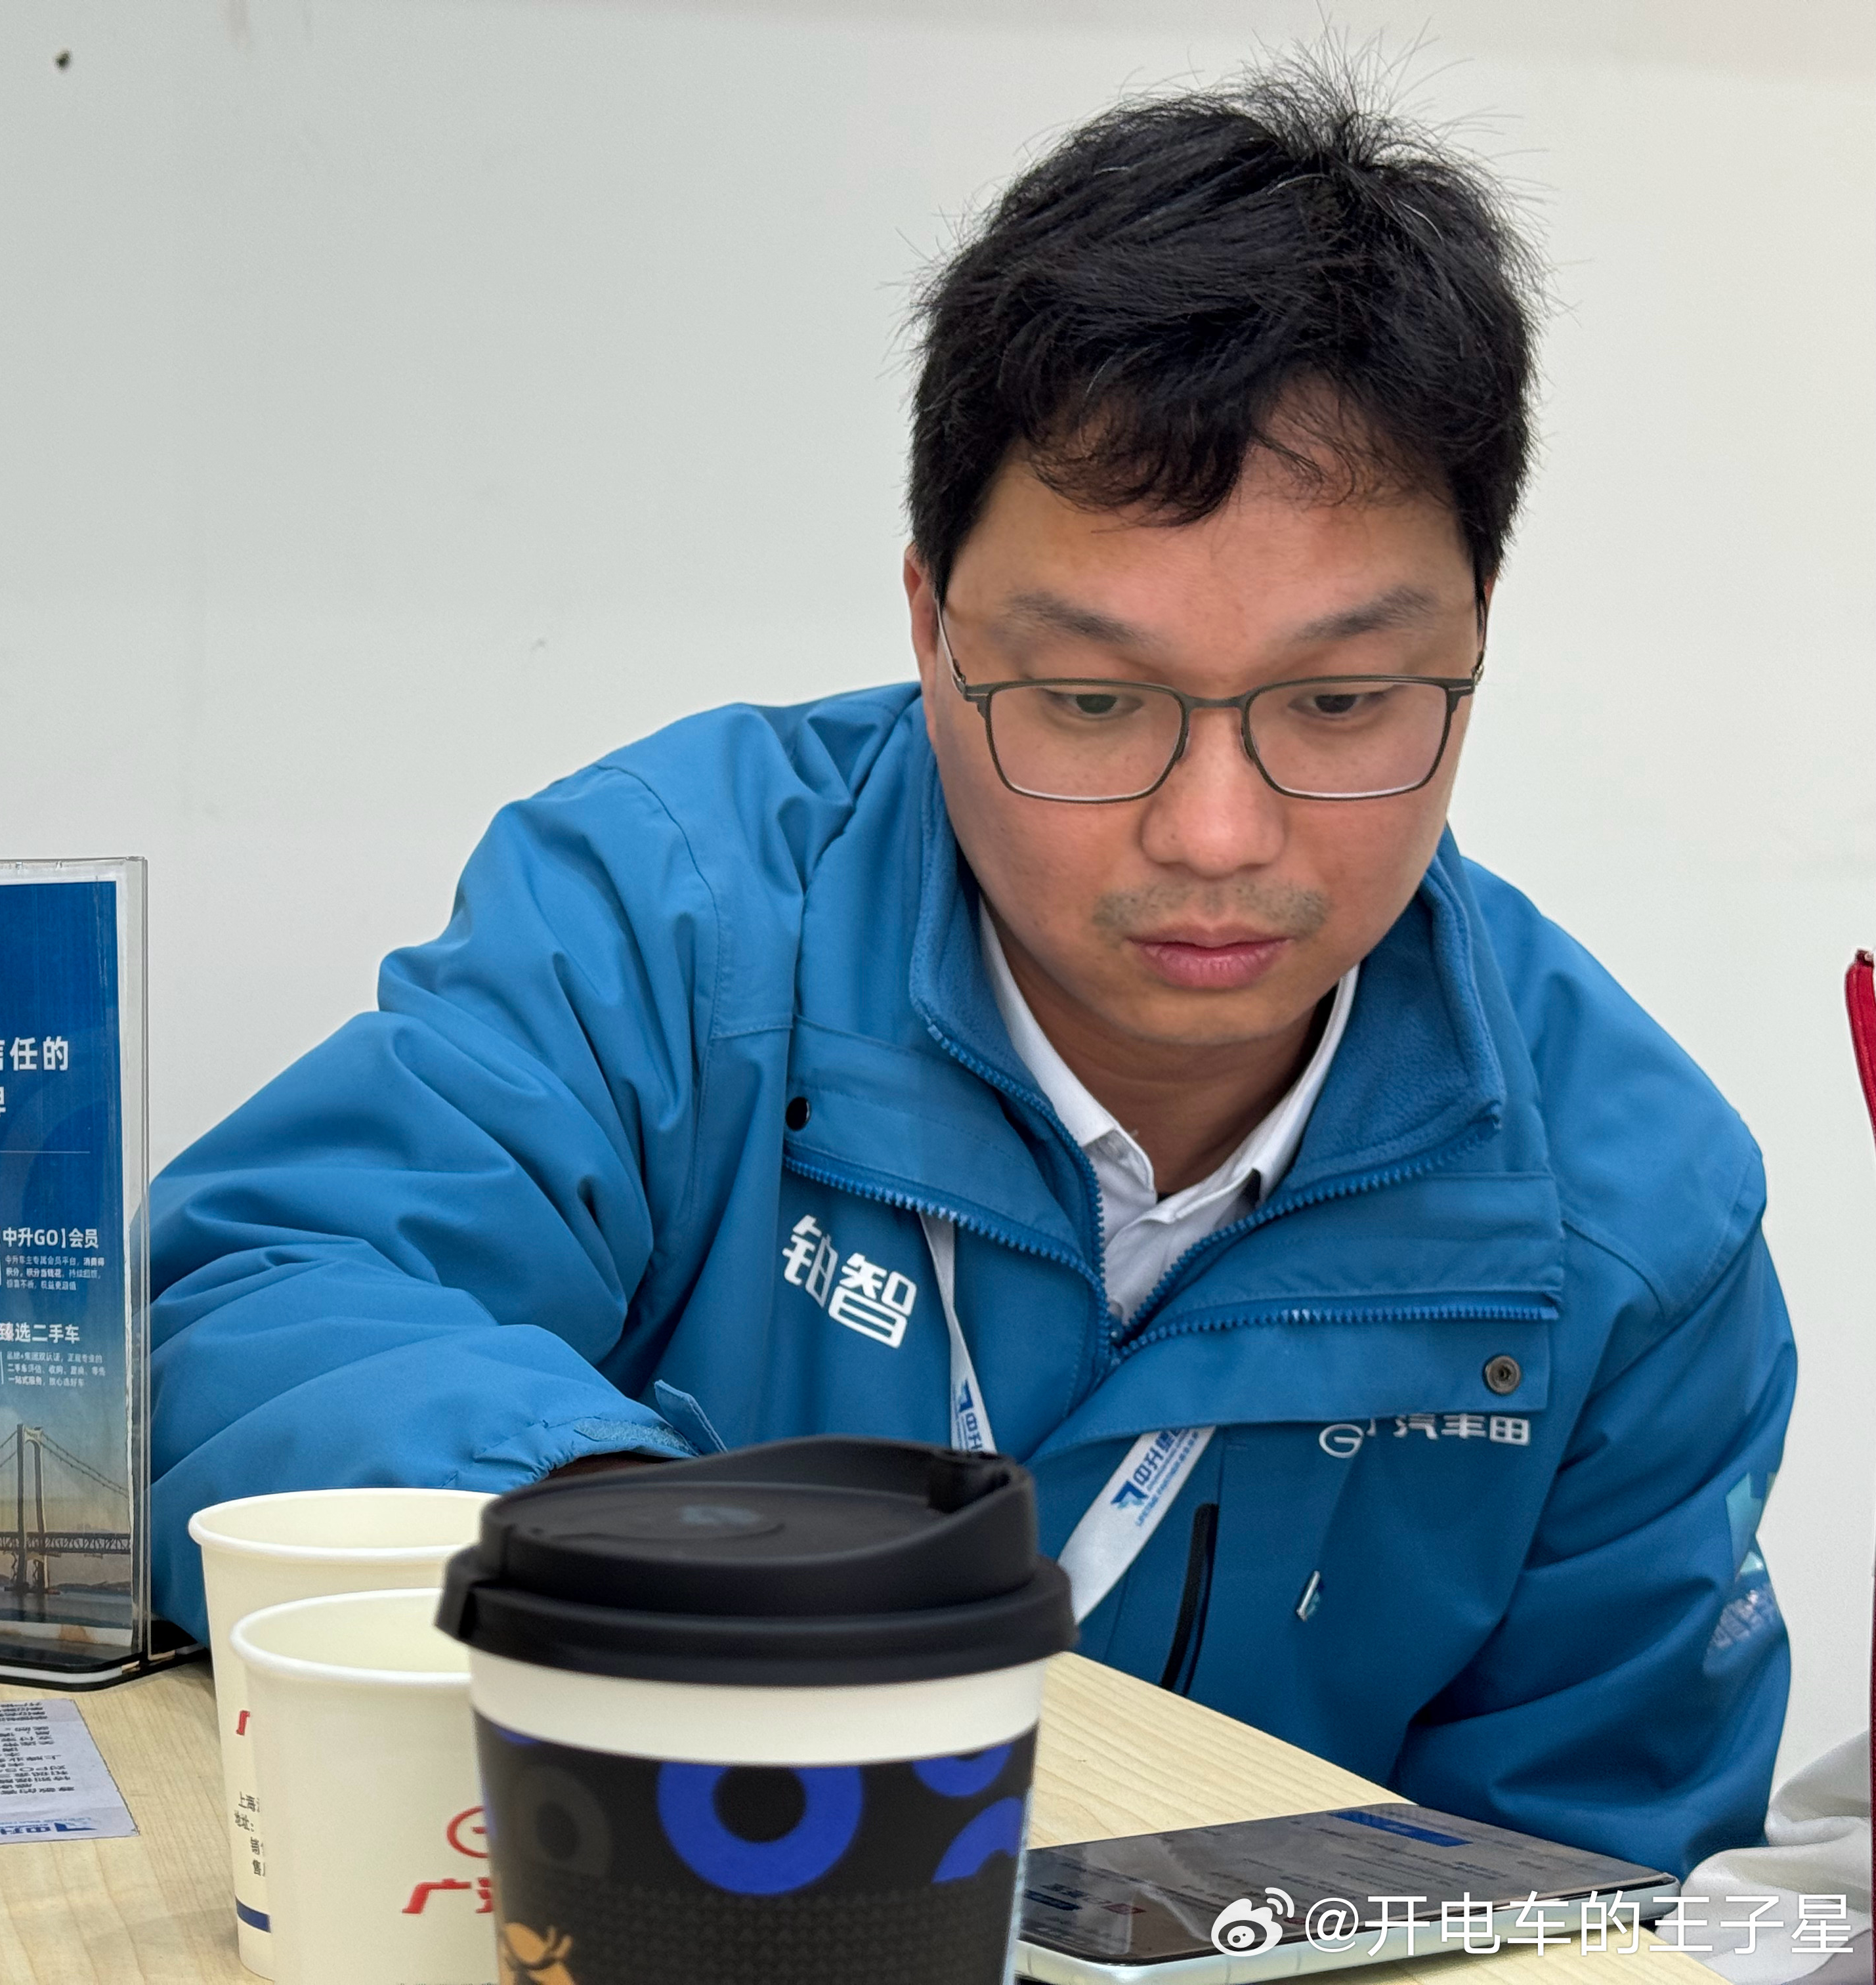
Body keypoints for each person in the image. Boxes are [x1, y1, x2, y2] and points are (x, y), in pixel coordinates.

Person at [146, 60, 1793, 1878]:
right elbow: (247, 1310)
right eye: (1089, 701)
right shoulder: (673, 923)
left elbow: (1591, 1878)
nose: (1218, 833)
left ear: (1475, 646)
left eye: (1340, 703)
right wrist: (648, 1555)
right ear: (931, 626)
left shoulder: (1628, 1219)